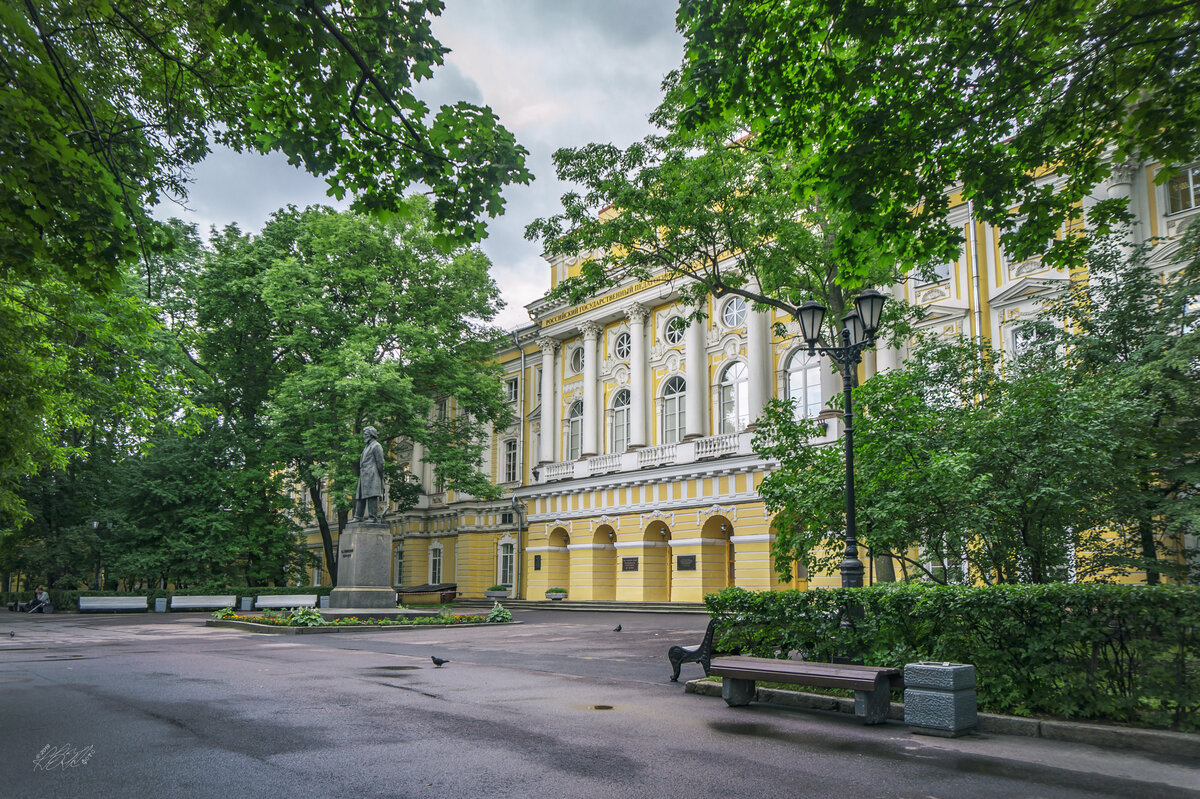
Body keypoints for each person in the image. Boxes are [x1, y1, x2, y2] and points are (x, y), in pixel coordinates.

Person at [353, 426, 386, 523]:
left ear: (371, 435)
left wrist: (381, 476)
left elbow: (380, 462)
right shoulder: (367, 447)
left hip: (372, 474)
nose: (364, 436)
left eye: (366, 434)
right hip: (364, 475)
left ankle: (372, 517)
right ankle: (358, 516)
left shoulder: (376, 446)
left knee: (372, 495)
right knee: (360, 496)